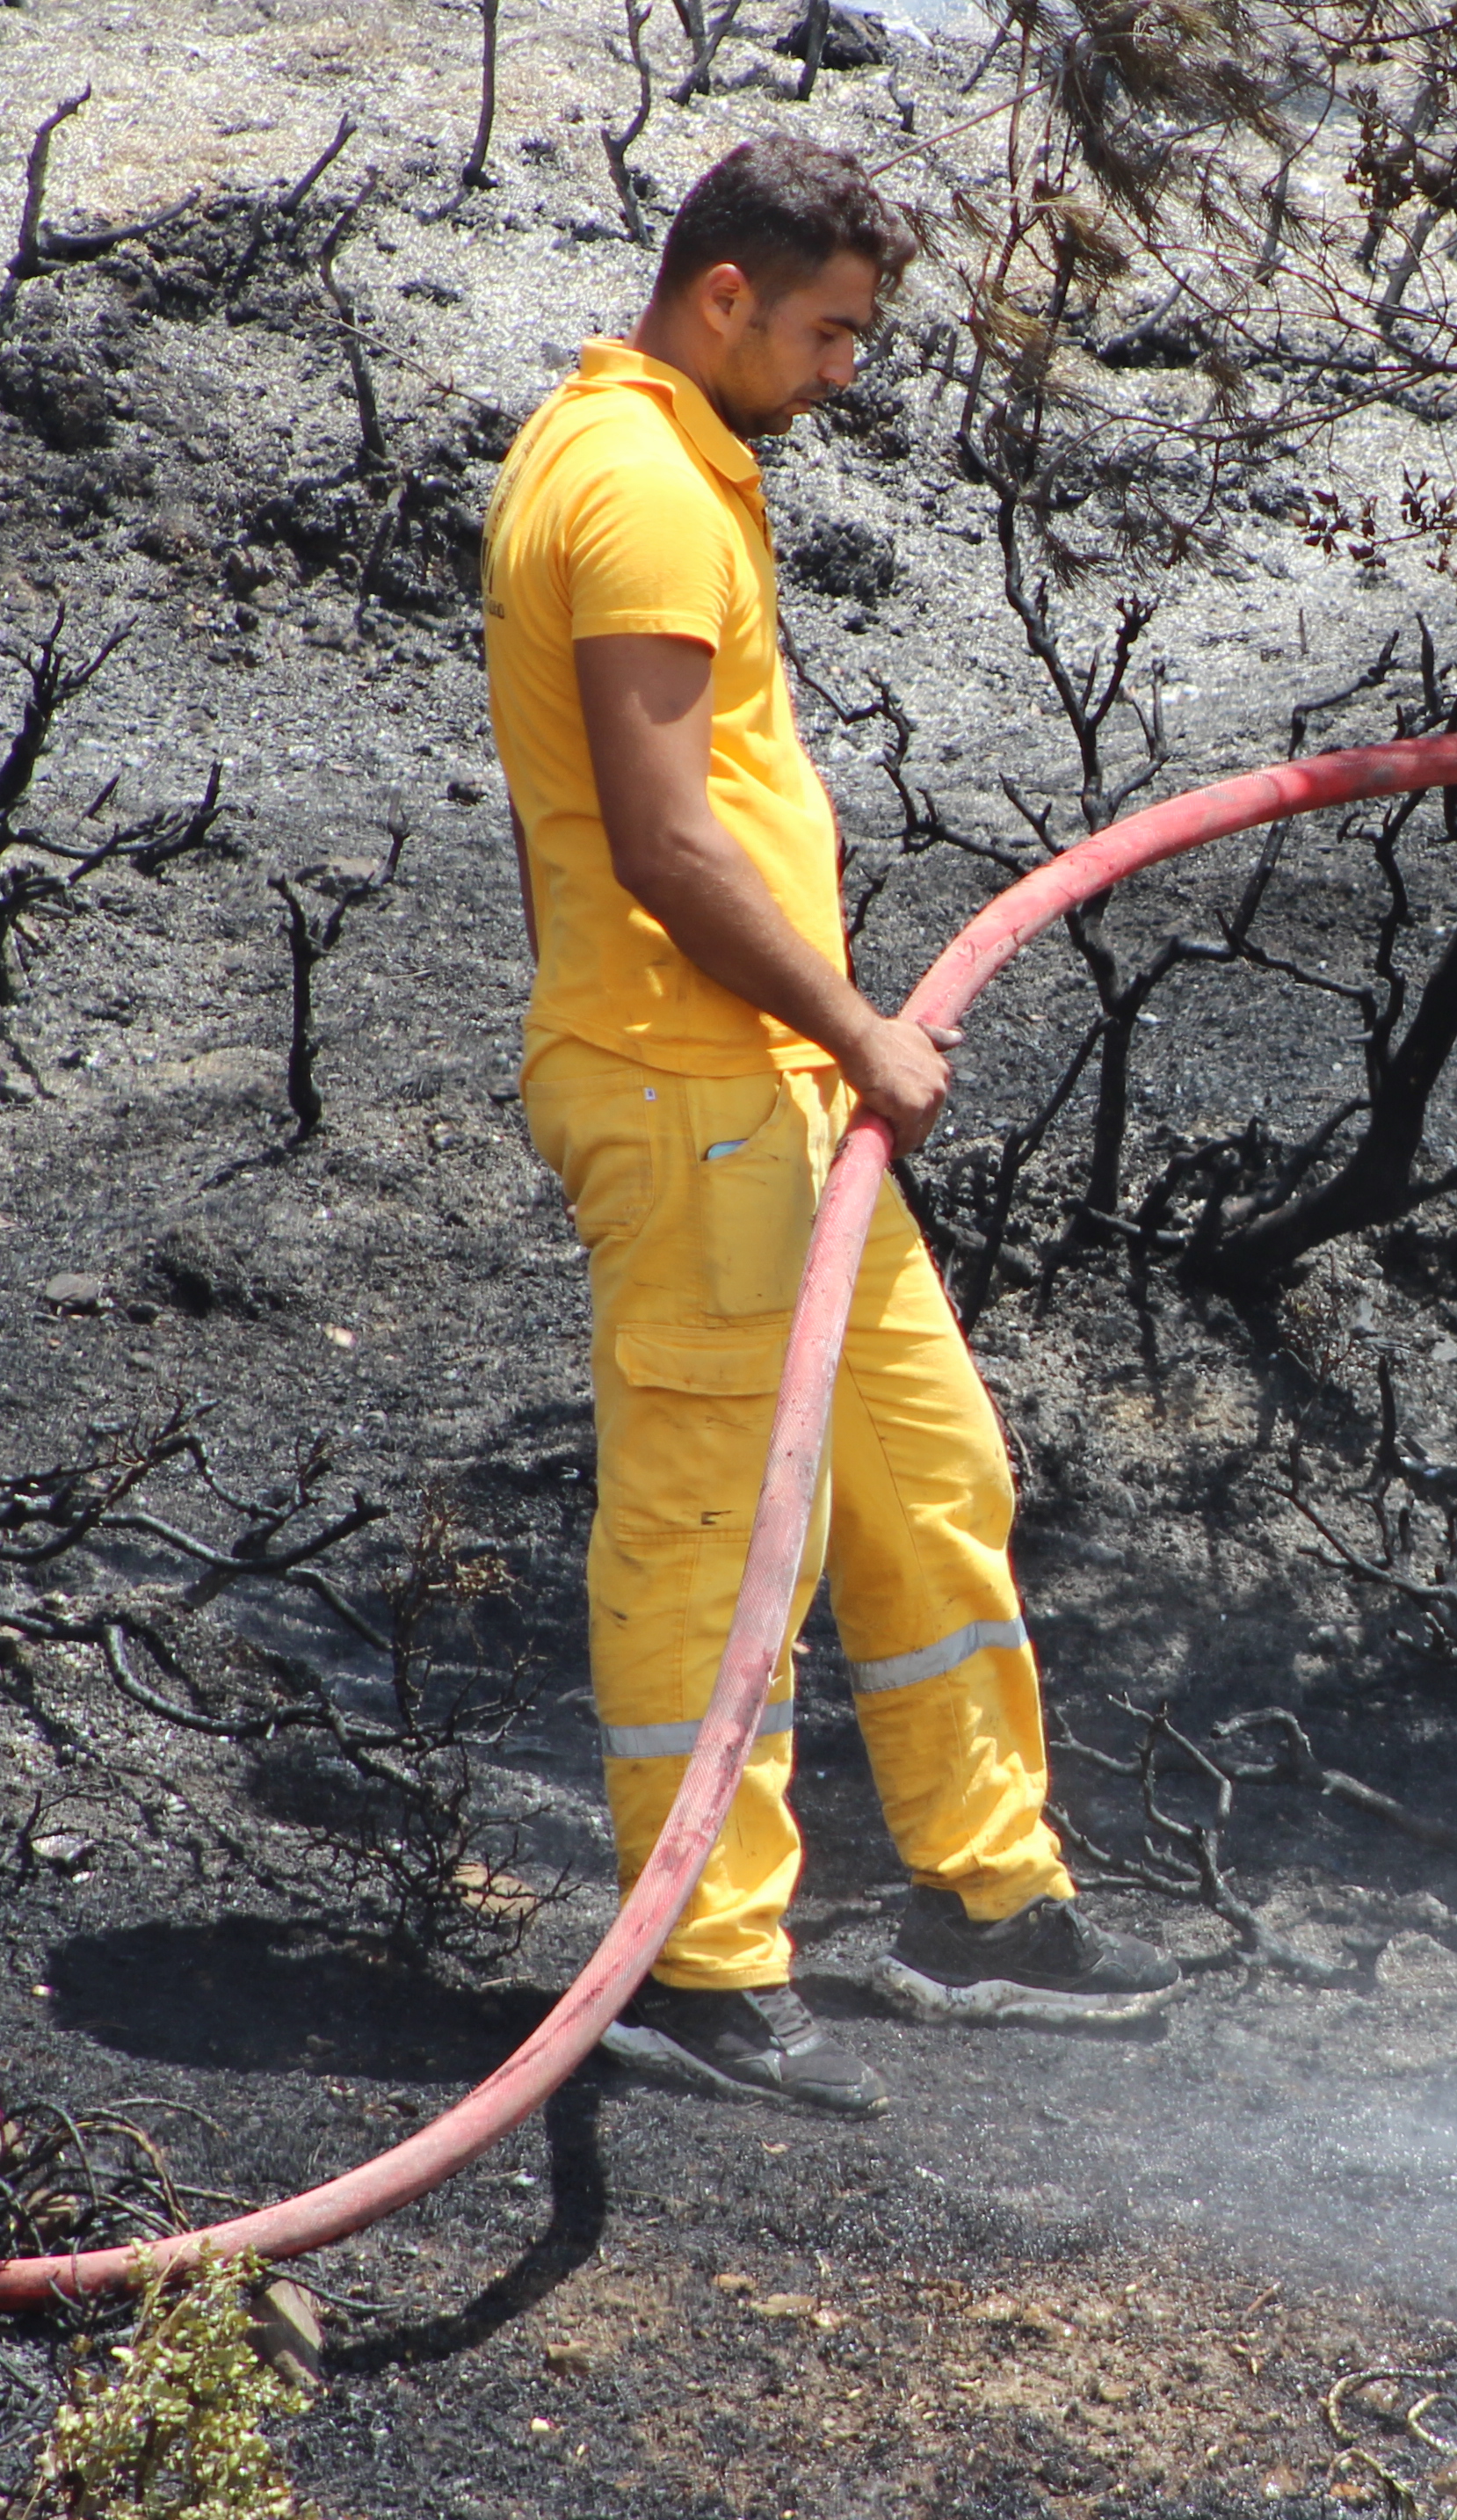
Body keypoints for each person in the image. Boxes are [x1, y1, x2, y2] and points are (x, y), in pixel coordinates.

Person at [484, 134, 1174, 2112]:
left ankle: (987, 1896)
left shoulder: (671, 461)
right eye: (832, 333)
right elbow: (663, 836)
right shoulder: (627, 488)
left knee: (927, 1471)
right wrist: (862, 1028)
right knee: (716, 1536)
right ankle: (698, 1969)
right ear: (724, 296)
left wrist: (827, 1054)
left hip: (763, 1094)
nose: (847, 373)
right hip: (692, 1087)